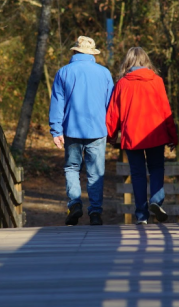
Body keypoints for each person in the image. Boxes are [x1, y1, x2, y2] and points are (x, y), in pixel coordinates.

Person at [106, 47, 178, 225]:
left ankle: (141, 215)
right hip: (156, 134)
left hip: (132, 135)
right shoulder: (157, 81)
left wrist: (111, 136)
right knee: (156, 169)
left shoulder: (122, 84)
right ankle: (156, 201)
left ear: (128, 63)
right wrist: (172, 136)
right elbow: (165, 110)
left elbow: (113, 113)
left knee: (137, 174)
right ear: (146, 61)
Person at [49, 36, 115, 226]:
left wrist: (56, 130)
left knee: (72, 168)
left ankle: (75, 203)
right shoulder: (104, 73)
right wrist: (111, 129)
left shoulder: (64, 72)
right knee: (96, 172)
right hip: (97, 129)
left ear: (74, 52)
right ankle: (95, 212)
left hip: (72, 129)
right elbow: (110, 105)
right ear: (92, 54)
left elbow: (58, 103)